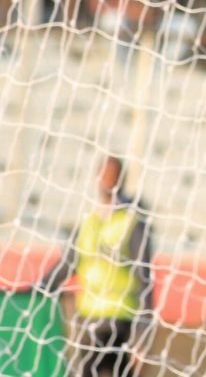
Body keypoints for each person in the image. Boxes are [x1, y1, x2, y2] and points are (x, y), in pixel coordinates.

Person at [29, 156, 155, 377]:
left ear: (121, 179)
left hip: (119, 316)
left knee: (95, 368)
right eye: (103, 174)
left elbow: (144, 278)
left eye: (112, 175)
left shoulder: (132, 223)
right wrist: (36, 289)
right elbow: (68, 264)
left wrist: (142, 331)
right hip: (88, 314)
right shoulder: (90, 221)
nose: (106, 180)